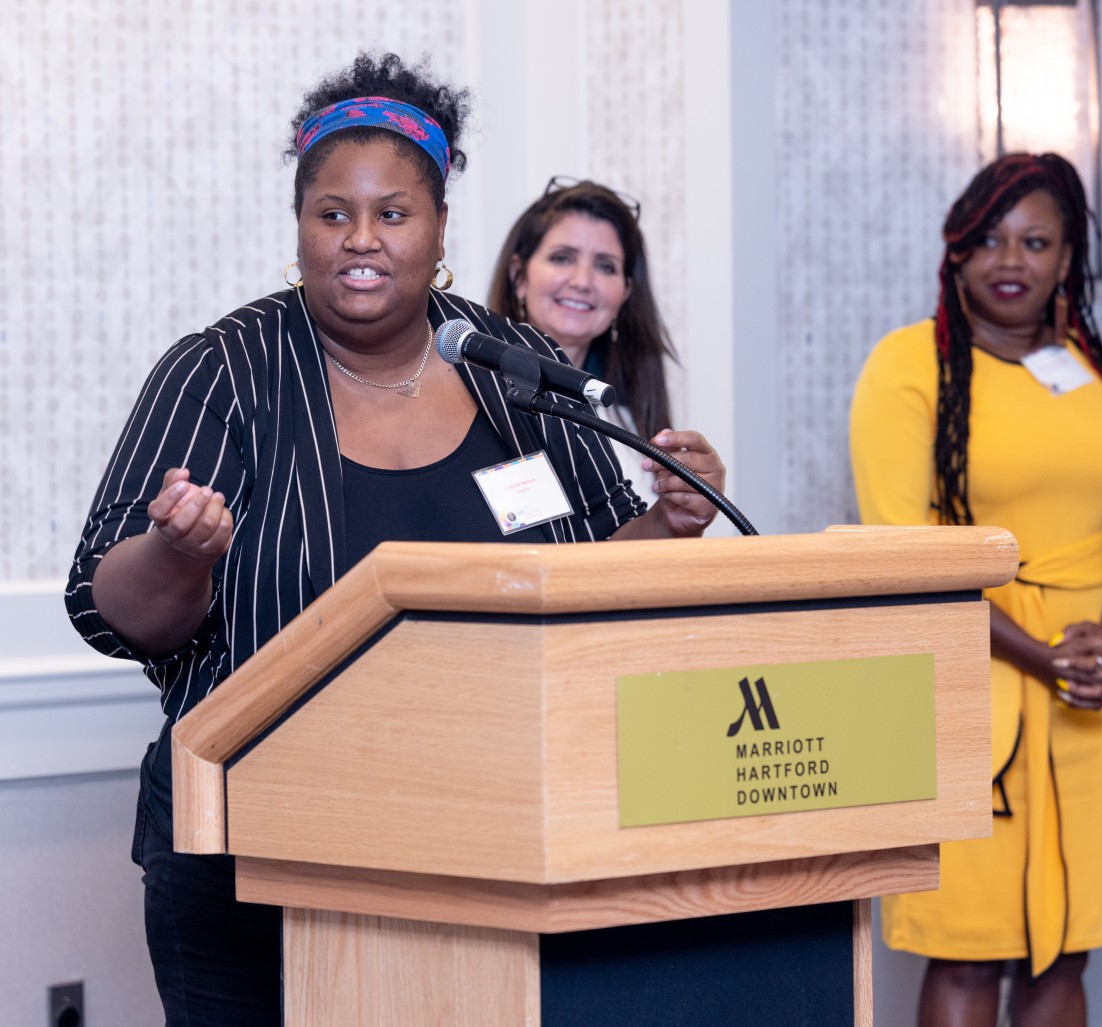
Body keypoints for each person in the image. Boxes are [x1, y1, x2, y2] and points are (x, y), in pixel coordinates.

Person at [64, 52, 724, 1026]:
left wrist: (670, 520)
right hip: (252, 847)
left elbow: (593, 580)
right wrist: (180, 550)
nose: (361, 239)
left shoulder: (515, 366)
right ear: (300, 228)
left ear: (441, 227)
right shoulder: (224, 372)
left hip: (479, 835)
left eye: (393, 213)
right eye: (333, 213)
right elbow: (114, 612)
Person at [849, 153, 1102, 1027]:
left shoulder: (1092, 372)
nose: (1010, 258)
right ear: (957, 250)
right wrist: (1041, 655)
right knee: (969, 949)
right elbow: (906, 551)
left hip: (1086, 689)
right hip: (970, 681)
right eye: (989, 238)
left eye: (1036, 240)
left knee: (1066, 949)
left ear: (1069, 259)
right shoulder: (909, 367)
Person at [488, 178, 676, 505]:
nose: (583, 281)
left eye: (605, 266)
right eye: (562, 258)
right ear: (519, 276)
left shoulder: (633, 425)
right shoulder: (468, 401)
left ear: (625, 293)